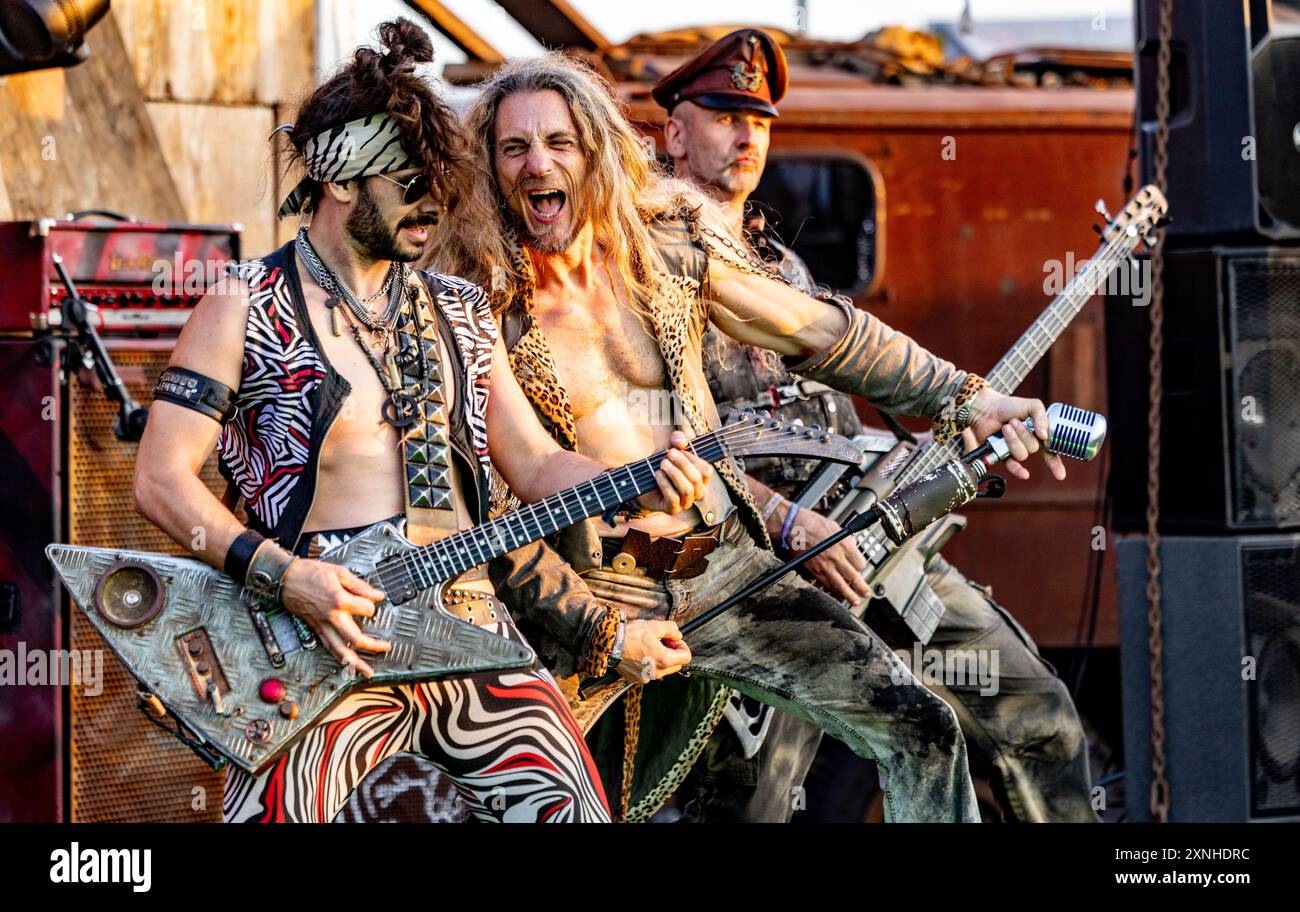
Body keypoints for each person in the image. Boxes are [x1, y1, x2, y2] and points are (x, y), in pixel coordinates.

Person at [429, 50, 1067, 823]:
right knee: (567, 809)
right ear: (490, 170)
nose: (538, 164)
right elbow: (517, 482)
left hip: (725, 568)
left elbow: (829, 334)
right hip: (598, 596)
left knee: (921, 727)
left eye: (558, 143)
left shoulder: (669, 258)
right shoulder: (474, 306)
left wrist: (968, 398)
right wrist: (610, 564)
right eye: (514, 147)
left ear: (593, 150)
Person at [131, 19, 710, 823]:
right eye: (409, 181)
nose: (433, 204)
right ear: (339, 180)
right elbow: (159, 479)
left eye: (442, 183)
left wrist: (636, 482)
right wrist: (285, 576)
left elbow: (537, 466)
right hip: (320, 636)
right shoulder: (242, 306)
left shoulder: (462, 311)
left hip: (467, 625)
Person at [658, 29, 1100, 823]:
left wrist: (948, 425)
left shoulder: (781, 270)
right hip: (752, 564)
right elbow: (653, 444)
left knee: (1038, 722)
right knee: (757, 801)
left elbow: (847, 359)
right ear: (674, 131)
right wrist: (786, 521)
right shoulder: (643, 270)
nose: (746, 136)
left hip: (876, 539)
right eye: (724, 114)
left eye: (759, 120)